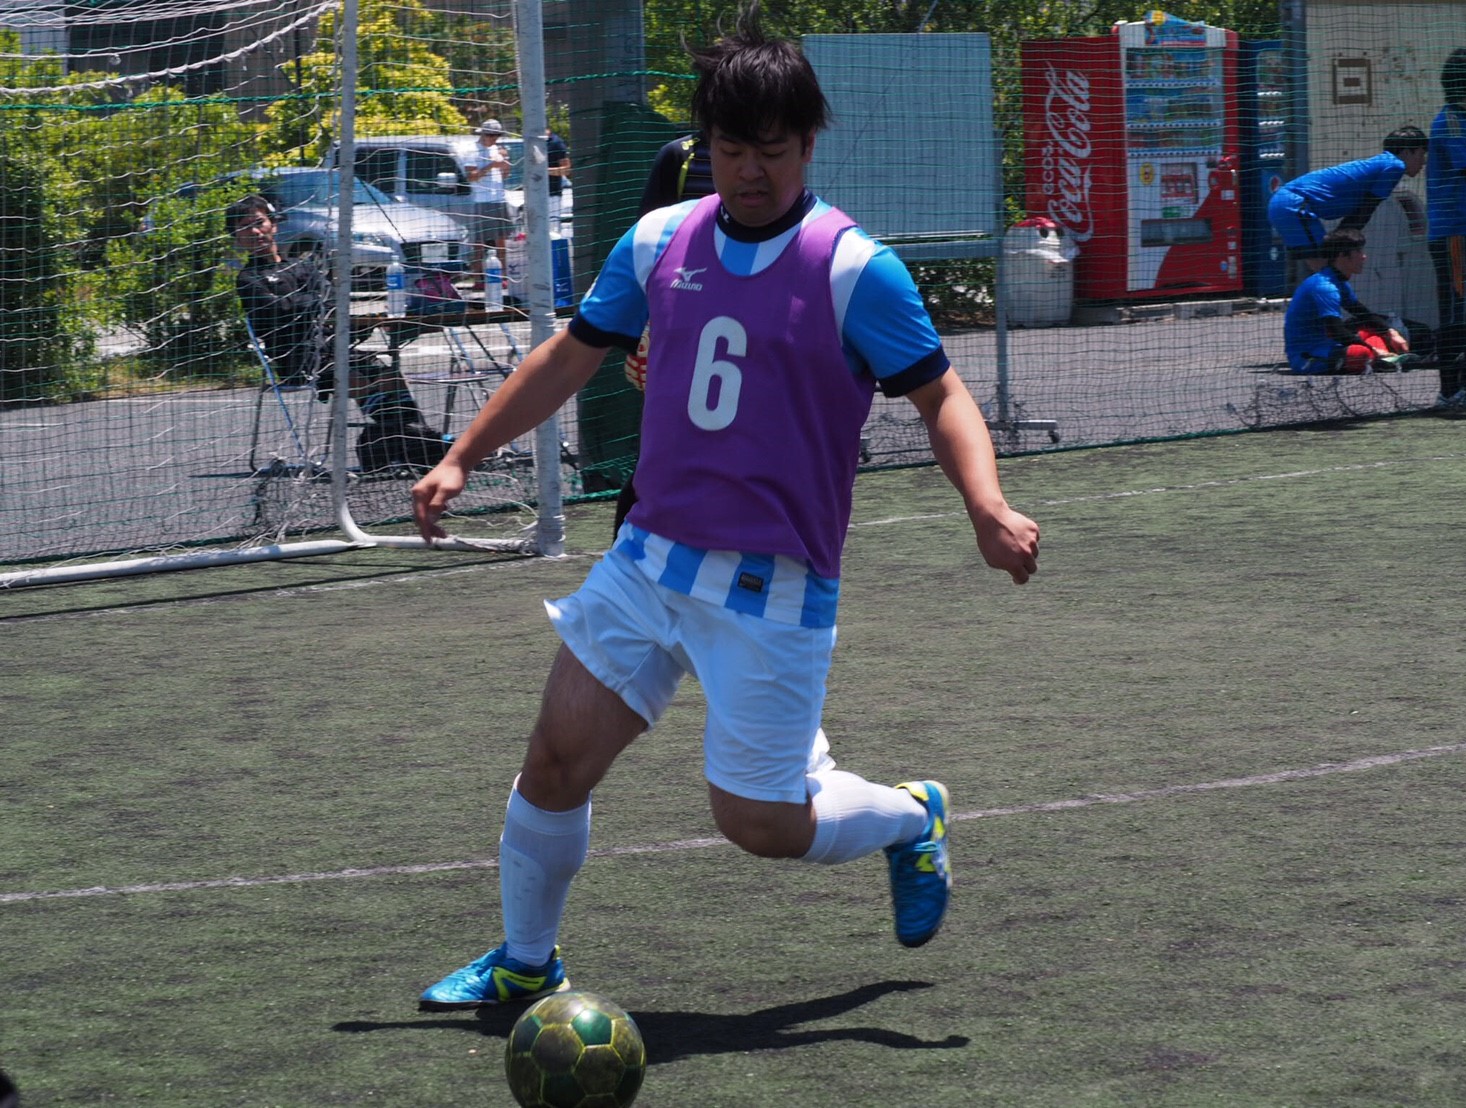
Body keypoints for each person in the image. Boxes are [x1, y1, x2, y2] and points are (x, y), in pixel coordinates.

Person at [410, 5, 1040, 1010]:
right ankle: (526, 961)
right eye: (732, 149)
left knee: (759, 824)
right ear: (705, 143)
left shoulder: (853, 268)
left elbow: (943, 398)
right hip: (648, 559)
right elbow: (569, 357)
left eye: (773, 151)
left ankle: (910, 817)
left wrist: (986, 506)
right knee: (556, 759)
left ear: (809, 143)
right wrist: (461, 456)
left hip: (771, 586)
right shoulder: (659, 239)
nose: (751, 171)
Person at [227, 194, 448, 472]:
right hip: (297, 358)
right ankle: (423, 445)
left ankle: (410, 443)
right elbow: (280, 310)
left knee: (386, 372)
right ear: (236, 237)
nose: (255, 232)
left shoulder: (302, 265)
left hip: (335, 348)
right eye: (245, 227)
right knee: (357, 376)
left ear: (274, 224)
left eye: (259, 223)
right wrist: (311, 304)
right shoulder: (249, 279)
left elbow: (332, 301)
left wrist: (315, 307)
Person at [612, 132, 717, 537]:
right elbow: (651, 243)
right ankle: (626, 545)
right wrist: (648, 325)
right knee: (664, 448)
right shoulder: (681, 156)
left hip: (743, 326)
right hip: (680, 325)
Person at [1267, 126, 1429, 274]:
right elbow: (1366, 209)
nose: (1424, 161)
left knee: (1324, 269)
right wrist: (1341, 241)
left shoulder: (1382, 163)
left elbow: (1359, 213)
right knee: (1328, 270)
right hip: (1294, 204)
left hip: (1286, 203)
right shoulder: (1395, 166)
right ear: (1406, 152)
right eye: (1421, 154)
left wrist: (1338, 240)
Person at [1283, 228, 1410, 375]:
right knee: (1361, 353)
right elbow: (1335, 330)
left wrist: (1391, 333)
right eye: (1358, 252)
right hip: (1309, 356)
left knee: (1374, 330)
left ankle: (1379, 357)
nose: (1364, 257)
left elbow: (1363, 314)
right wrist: (1374, 349)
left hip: (1330, 345)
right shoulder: (1325, 287)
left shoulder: (1338, 281)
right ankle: (1377, 357)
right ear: (1342, 256)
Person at [1427, 47, 1466, 407]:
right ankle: (1450, 390)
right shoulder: (1452, 122)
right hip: (1454, 234)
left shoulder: (1463, 120)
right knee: (1457, 311)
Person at [465, 119, 514, 287]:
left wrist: (505, 166)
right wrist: (491, 165)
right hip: (482, 200)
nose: (494, 139)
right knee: (479, 242)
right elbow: (471, 176)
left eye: (497, 135)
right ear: (483, 134)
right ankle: (478, 278)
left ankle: (503, 276)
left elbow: (504, 175)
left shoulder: (497, 149)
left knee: (501, 241)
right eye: (491, 135)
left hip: (499, 199)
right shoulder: (472, 151)